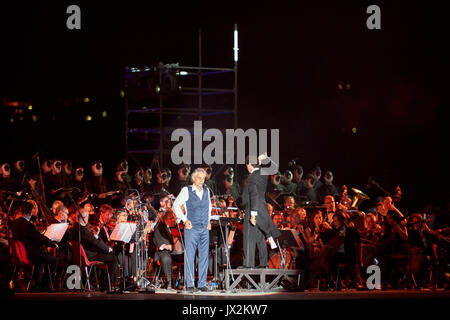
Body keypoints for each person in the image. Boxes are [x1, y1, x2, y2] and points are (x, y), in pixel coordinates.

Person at [172, 168, 213, 292]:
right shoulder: (187, 190)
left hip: (204, 228)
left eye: (203, 178)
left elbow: (209, 207)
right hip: (192, 227)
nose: (201, 180)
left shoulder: (207, 191)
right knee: (190, 255)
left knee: (204, 256)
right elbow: (175, 205)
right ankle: (190, 284)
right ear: (194, 178)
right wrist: (184, 219)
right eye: (199, 178)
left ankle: (201, 283)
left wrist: (209, 220)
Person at [240, 155, 280, 269]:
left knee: (249, 236)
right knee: (260, 237)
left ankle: (248, 264)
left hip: (253, 208)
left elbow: (254, 194)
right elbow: (275, 168)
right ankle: (263, 264)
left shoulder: (252, 176)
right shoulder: (263, 174)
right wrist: (266, 159)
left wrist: (253, 214)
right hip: (261, 208)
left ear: (249, 165)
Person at [10, 202, 59, 291]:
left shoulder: (14, 224)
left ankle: (36, 285)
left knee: (41, 260)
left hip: (20, 254)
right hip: (30, 253)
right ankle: (48, 285)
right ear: (30, 213)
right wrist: (53, 244)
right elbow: (40, 238)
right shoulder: (28, 225)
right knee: (53, 260)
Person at [153, 210, 184, 289]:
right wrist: (165, 246)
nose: (173, 220)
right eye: (170, 218)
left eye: (174, 218)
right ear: (165, 219)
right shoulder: (159, 227)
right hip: (163, 251)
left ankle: (187, 281)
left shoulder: (178, 227)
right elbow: (157, 239)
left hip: (177, 252)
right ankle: (169, 282)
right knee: (166, 258)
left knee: (191, 257)